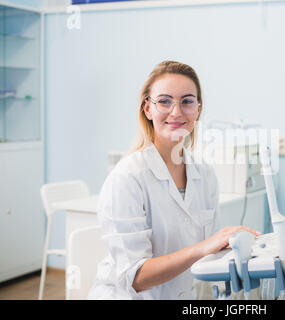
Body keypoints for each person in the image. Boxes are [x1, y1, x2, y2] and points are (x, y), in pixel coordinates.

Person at [88, 61, 259, 300]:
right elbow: (135, 278)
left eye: (187, 101)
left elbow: (210, 256)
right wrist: (205, 246)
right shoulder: (127, 178)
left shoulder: (204, 174)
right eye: (165, 101)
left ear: (198, 109)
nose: (176, 112)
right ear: (148, 109)